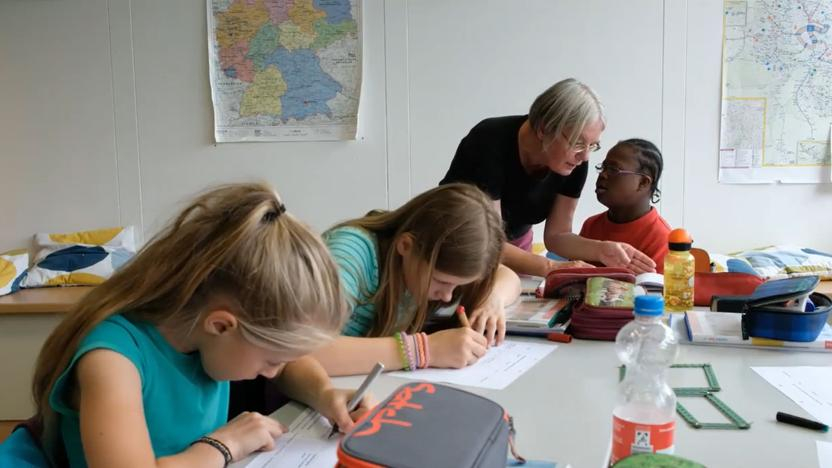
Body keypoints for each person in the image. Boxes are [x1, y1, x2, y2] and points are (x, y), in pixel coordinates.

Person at [0, 183, 371, 467]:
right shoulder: (113, 361)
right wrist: (222, 447)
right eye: (269, 359)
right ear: (222, 325)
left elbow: (290, 362)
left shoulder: (204, 336)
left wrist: (325, 395)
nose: (274, 371)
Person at [440, 78, 656, 277]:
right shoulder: (489, 141)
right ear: (544, 129)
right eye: (578, 142)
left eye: (593, 145)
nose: (585, 156)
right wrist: (552, 267)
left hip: (513, 247)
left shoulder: (576, 161)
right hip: (455, 247)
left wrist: (602, 249)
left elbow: (557, 235)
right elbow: (489, 241)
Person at [313, 183, 521, 376]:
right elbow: (303, 350)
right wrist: (424, 349)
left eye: (457, 286)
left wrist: (492, 299)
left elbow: (508, 277)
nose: (448, 296)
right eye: (441, 281)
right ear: (405, 246)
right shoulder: (350, 253)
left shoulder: (427, 261)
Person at [580, 139, 671, 272]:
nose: (603, 174)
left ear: (643, 183)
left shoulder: (661, 238)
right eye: (603, 167)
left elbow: (656, 291)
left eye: (613, 169)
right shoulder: (591, 225)